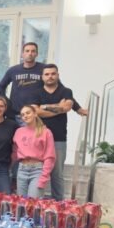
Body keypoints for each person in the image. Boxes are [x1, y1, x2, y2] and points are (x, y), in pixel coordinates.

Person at [30, 64, 88, 200]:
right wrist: (57, 107)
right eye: (47, 74)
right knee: (39, 173)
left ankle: (58, 204)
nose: (50, 76)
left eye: (53, 74)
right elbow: (35, 112)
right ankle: (38, 202)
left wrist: (43, 108)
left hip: (58, 139)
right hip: (39, 138)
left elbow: (67, 107)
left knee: (57, 174)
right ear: (42, 77)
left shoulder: (66, 91)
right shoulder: (36, 93)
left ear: (58, 75)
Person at [13, 105, 56, 198]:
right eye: (22, 114)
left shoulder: (46, 132)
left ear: (35, 114)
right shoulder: (18, 132)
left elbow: (50, 157)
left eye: (28, 113)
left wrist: (44, 178)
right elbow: (14, 152)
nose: (25, 116)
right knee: (21, 205)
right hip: (21, 170)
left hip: (37, 171)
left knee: (33, 205)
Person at [0, 42, 45, 122]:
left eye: (33, 51)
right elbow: (1, 86)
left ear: (36, 54)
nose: (30, 53)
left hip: (35, 115)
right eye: (27, 51)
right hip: (15, 114)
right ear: (22, 54)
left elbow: (55, 86)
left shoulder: (44, 69)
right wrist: (6, 102)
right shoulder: (13, 70)